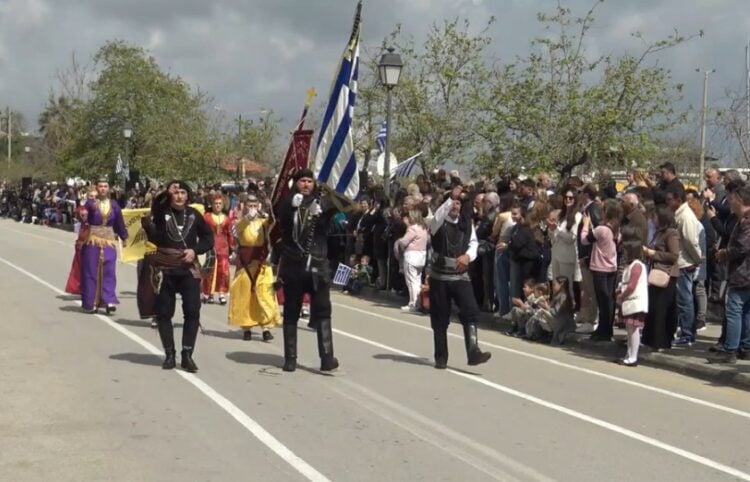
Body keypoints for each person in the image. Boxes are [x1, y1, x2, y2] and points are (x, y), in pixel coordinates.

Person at [141, 181, 214, 372]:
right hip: (166, 268)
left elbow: (208, 238)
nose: (179, 196)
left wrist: (195, 250)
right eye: (176, 192)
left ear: (188, 195)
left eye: (183, 192)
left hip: (188, 269)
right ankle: (169, 354)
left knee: (192, 311)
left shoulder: (194, 215)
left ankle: (187, 354)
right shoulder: (161, 213)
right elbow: (156, 209)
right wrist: (165, 193)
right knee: (164, 313)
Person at [276, 169, 340, 373]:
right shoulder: (287, 203)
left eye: (309, 181)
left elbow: (345, 202)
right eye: (302, 181)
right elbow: (279, 217)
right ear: (295, 183)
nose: (306, 184)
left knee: (322, 311)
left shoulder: (322, 202)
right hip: (294, 266)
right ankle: (290, 358)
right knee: (291, 312)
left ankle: (327, 358)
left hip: (318, 265)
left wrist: (327, 193)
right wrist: (291, 205)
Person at [427, 185, 492, 369]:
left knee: (470, 311)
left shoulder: (466, 223)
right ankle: (441, 357)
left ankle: (473, 351)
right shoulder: (439, 221)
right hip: (440, 276)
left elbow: (473, 244)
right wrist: (450, 198)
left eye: (459, 204)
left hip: (460, 275)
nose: (456, 207)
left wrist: (468, 256)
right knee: (440, 317)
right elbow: (437, 218)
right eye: (454, 203)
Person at [228, 194, 279, 341]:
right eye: (249, 206)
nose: (252, 209)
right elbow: (237, 232)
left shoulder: (263, 221)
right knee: (245, 295)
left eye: (255, 205)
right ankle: (247, 328)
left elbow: (274, 225)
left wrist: (271, 209)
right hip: (246, 262)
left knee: (265, 294)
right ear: (244, 206)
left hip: (262, 262)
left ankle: (266, 328)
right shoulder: (238, 222)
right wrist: (247, 219)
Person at [708, 186, 750, 364]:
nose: (729, 203)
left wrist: (723, 253)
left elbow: (742, 247)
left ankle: (730, 349)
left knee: (734, 310)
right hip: (743, 273)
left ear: (740, 200)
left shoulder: (746, 222)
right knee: (746, 311)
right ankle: (745, 347)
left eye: (732, 199)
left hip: (743, 273)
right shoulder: (741, 219)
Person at [80, 178, 128, 314]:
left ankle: (109, 300)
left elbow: (119, 222)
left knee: (109, 269)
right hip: (93, 239)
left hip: (108, 239)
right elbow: (82, 215)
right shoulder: (91, 204)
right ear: (96, 188)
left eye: (105, 186)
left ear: (109, 188)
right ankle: (91, 302)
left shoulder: (114, 205)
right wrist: (83, 215)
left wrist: (124, 237)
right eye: (100, 186)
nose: (103, 189)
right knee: (91, 270)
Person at [580, 199, 622, 342]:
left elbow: (585, 240)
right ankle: (606, 329)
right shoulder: (616, 228)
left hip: (600, 267)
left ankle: (604, 330)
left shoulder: (602, 229)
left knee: (603, 299)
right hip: (611, 266)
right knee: (608, 300)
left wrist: (586, 225)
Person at [641, 206, 680, 351]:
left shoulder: (671, 233)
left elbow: (674, 255)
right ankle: (650, 339)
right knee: (653, 308)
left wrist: (653, 253)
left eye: (655, 217)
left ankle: (661, 341)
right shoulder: (659, 232)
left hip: (666, 275)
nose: (653, 220)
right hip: (655, 273)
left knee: (662, 309)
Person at [616, 241, 649, 367]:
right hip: (630, 301)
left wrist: (621, 296)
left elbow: (632, 286)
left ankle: (633, 356)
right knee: (629, 330)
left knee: (633, 329)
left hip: (635, 301)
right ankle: (628, 354)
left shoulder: (637, 265)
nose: (624, 254)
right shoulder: (631, 265)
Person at [201, 195, 234, 305]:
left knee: (223, 271)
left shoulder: (227, 219)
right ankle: (209, 293)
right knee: (210, 271)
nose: (218, 205)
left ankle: (221, 293)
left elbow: (230, 235)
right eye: (216, 203)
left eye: (220, 203)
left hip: (223, 248)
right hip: (210, 247)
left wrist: (232, 248)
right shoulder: (206, 217)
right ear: (212, 204)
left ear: (223, 205)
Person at [394, 209, 429, 312]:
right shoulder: (423, 228)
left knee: (411, 281)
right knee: (417, 280)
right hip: (421, 256)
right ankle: (418, 303)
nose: (408, 218)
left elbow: (404, 241)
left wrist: (399, 242)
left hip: (412, 255)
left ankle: (413, 303)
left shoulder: (413, 228)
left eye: (409, 216)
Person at [65, 188, 96, 295]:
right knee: (82, 265)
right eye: (91, 196)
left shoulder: (103, 207)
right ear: (87, 197)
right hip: (84, 238)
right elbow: (82, 216)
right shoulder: (83, 209)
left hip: (98, 238)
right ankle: (80, 287)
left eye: (95, 196)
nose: (93, 198)